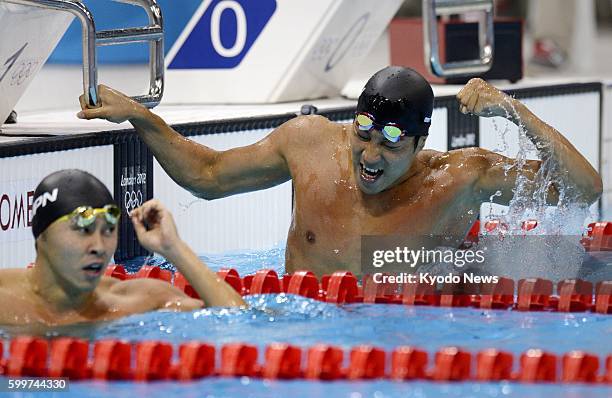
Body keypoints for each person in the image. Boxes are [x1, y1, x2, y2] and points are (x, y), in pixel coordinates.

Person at [77, 66, 603, 276]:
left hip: (405, 345)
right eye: (363, 136)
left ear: (421, 143)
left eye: (390, 148)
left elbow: (585, 189)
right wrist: (141, 117)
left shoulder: (460, 178)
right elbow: (208, 177)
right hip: (299, 337)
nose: (370, 156)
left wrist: (512, 109)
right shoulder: (308, 144)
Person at [0, 170, 245, 326]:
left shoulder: (139, 301)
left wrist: (175, 249)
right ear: (42, 236)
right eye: (83, 230)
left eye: (108, 231)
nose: (98, 246)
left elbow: (237, 322)